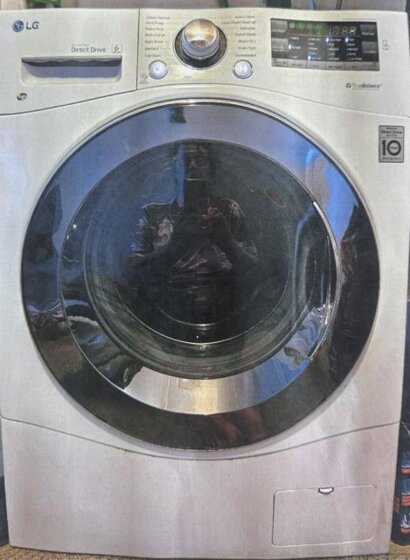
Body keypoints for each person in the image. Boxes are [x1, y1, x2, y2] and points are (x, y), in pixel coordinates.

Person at [128, 142, 259, 339]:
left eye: (201, 160)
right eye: (185, 160)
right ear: (173, 170)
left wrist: (226, 242)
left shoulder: (228, 211)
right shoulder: (152, 215)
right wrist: (174, 247)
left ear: (211, 172)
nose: (193, 167)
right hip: (165, 313)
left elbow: (255, 273)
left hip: (226, 312)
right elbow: (131, 276)